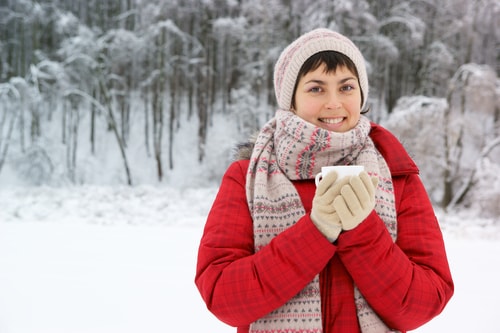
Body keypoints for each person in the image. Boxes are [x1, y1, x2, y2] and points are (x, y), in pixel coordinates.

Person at [195, 28, 454, 333]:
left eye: (346, 87)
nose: (334, 103)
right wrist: (315, 233)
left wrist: (362, 232)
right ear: (290, 100)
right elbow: (223, 298)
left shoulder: (398, 177)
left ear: (361, 93)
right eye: (316, 89)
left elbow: (424, 304)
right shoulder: (247, 176)